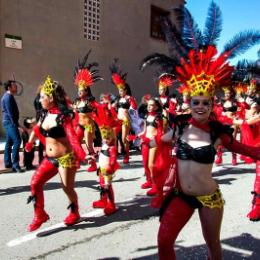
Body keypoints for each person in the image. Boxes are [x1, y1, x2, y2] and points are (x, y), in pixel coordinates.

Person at [151, 2, 260, 258]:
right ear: (189, 103)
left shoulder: (217, 132)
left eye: (205, 103)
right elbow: (157, 142)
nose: (200, 106)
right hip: (181, 196)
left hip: (210, 198)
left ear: (212, 105)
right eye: (196, 102)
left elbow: (246, 149)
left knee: (213, 247)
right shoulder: (178, 127)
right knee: (164, 241)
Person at [25, 76, 86, 232]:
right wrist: (30, 143)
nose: (40, 100)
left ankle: (75, 212)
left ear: (51, 98)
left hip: (66, 158)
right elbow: (37, 129)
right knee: (35, 183)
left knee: (67, 188)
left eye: (42, 97)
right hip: (50, 159)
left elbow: (72, 137)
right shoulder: (45, 114)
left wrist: (83, 155)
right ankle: (40, 215)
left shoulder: (62, 116)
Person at [72, 51, 103, 172]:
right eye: (79, 90)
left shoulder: (91, 101)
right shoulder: (76, 102)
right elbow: (72, 112)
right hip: (79, 125)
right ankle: (78, 161)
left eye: (82, 90)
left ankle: (93, 164)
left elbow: (99, 109)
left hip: (89, 126)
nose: (80, 92)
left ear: (86, 91)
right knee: (76, 143)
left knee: (89, 146)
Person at [91, 104, 120, 215]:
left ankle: (111, 204)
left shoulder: (112, 147)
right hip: (102, 168)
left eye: (107, 138)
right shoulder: (104, 145)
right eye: (104, 138)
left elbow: (112, 159)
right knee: (102, 183)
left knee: (107, 185)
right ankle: (103, 200)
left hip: (107, 170)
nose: (105, 139)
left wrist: (110, 167)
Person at [110, 58, 137, 164]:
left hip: (126, 119)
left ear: (125, 90)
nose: (120, 91)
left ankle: (127, 155)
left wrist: (132, 101)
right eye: (119, 90)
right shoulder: (118, 99)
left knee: (124, 138)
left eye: (121, 90)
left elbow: (134, 108)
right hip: (118, 119)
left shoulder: (129, 98)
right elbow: (112, 107)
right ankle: (114, 154)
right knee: (112, 137)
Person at [1, 80, 24, 172]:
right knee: (17, 140)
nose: (16, 87)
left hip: (8, 122)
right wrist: (17, 125)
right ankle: (15, 165)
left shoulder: (8, 96)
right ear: (9, 87)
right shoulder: (7, 98)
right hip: (10, 122)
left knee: (9, 142)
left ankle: (7, 163)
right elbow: (11, 114)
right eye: (14, 86)